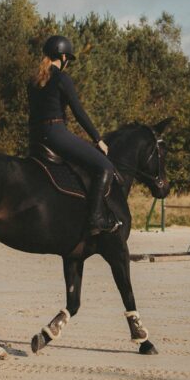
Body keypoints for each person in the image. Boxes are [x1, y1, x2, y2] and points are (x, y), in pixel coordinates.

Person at [28, 35, 120, 234]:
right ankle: (95, 217)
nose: (67, 63)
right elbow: (79, 112)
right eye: (67, 59)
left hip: (36, 135)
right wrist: (98, 139)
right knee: (105, 166)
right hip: (56, 132)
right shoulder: (61, 78)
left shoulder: (34, 79)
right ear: (62, 57)